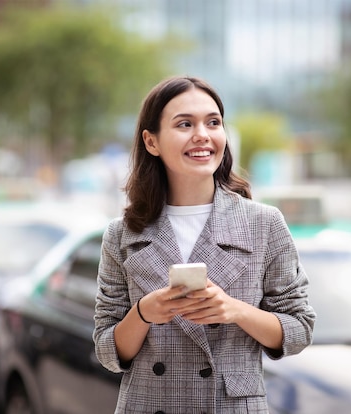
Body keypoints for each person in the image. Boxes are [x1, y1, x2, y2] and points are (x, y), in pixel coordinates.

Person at [93, 75, 315, 414]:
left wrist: (234, 310)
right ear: (151, 142)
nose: (202, 134)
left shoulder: (263, 223)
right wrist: (144, 313)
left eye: (213, 122)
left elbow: (299, 329)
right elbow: (108, 352)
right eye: (184, 124)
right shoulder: (122, 234)